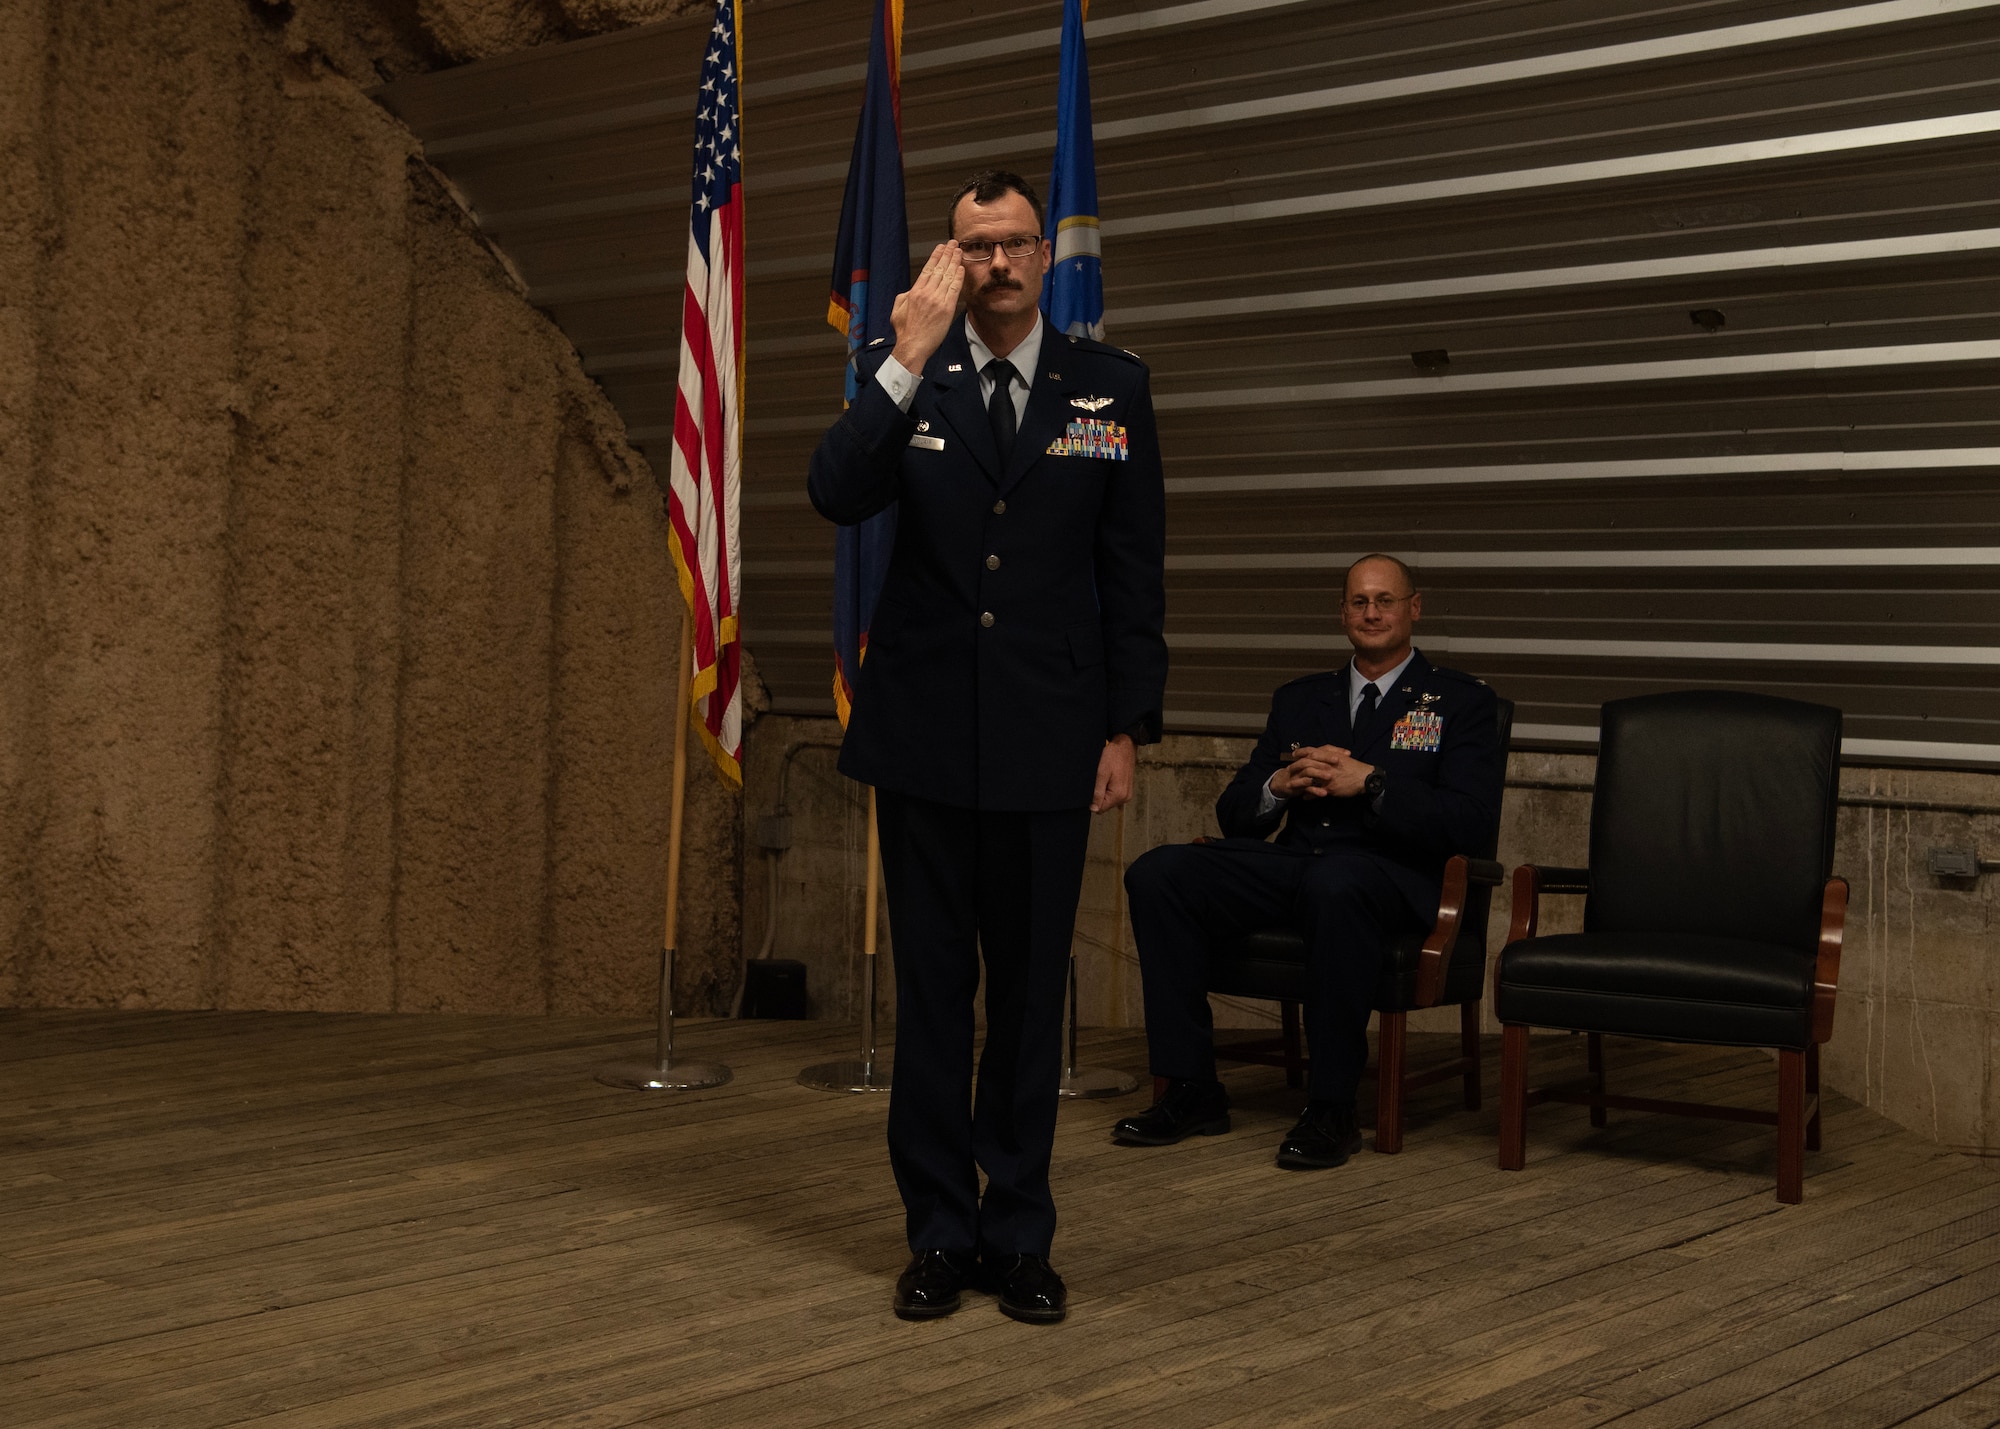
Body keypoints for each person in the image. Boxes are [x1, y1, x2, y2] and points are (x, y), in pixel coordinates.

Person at [807, 170, 1167, 1324]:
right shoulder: (906, 372)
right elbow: (834, 492)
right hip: (920, 742)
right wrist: (901, 360)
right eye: (974, 249)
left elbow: (1132, 573)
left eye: (1014, 243)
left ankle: (1017, 1236)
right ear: (946, 262)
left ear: (1042, 256)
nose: (998, 265)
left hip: (1048, 742)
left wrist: (1123, 725)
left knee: (1021, 1003)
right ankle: (936, 1236)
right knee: (930, 1000)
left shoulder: (1108, 389)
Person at [1112, 555, 1503, 1169]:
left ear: (1414, 609)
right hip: (1299, 866)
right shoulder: (1300, 700)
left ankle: (1331, 1107)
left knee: (1336, 882)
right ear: (1341, 612)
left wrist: (1372, 784)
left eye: (1385, 600)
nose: (1371, 613)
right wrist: (1279, 785)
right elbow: (1236, 813)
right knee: (1159, 871)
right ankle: (1191, 1089)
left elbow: (1469, 823)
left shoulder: (1458, 701)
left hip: (1391, 876)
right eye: (1358, 602)